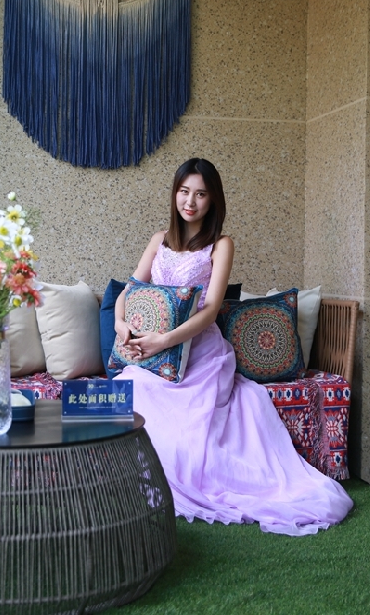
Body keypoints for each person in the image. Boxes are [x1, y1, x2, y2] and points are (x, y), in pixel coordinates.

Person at [113, 158, 353, 536]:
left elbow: (210, 310)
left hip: (201, 355)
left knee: (189, 431)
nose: (190, 201)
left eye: (200, 194)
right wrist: (120, 325)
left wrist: (165, 339)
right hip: (157, 357)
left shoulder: (221, 244)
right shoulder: (159, 240)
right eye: (184, 191)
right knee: (125, 397)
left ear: (213, 199)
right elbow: (128, 291)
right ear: (174, 194)